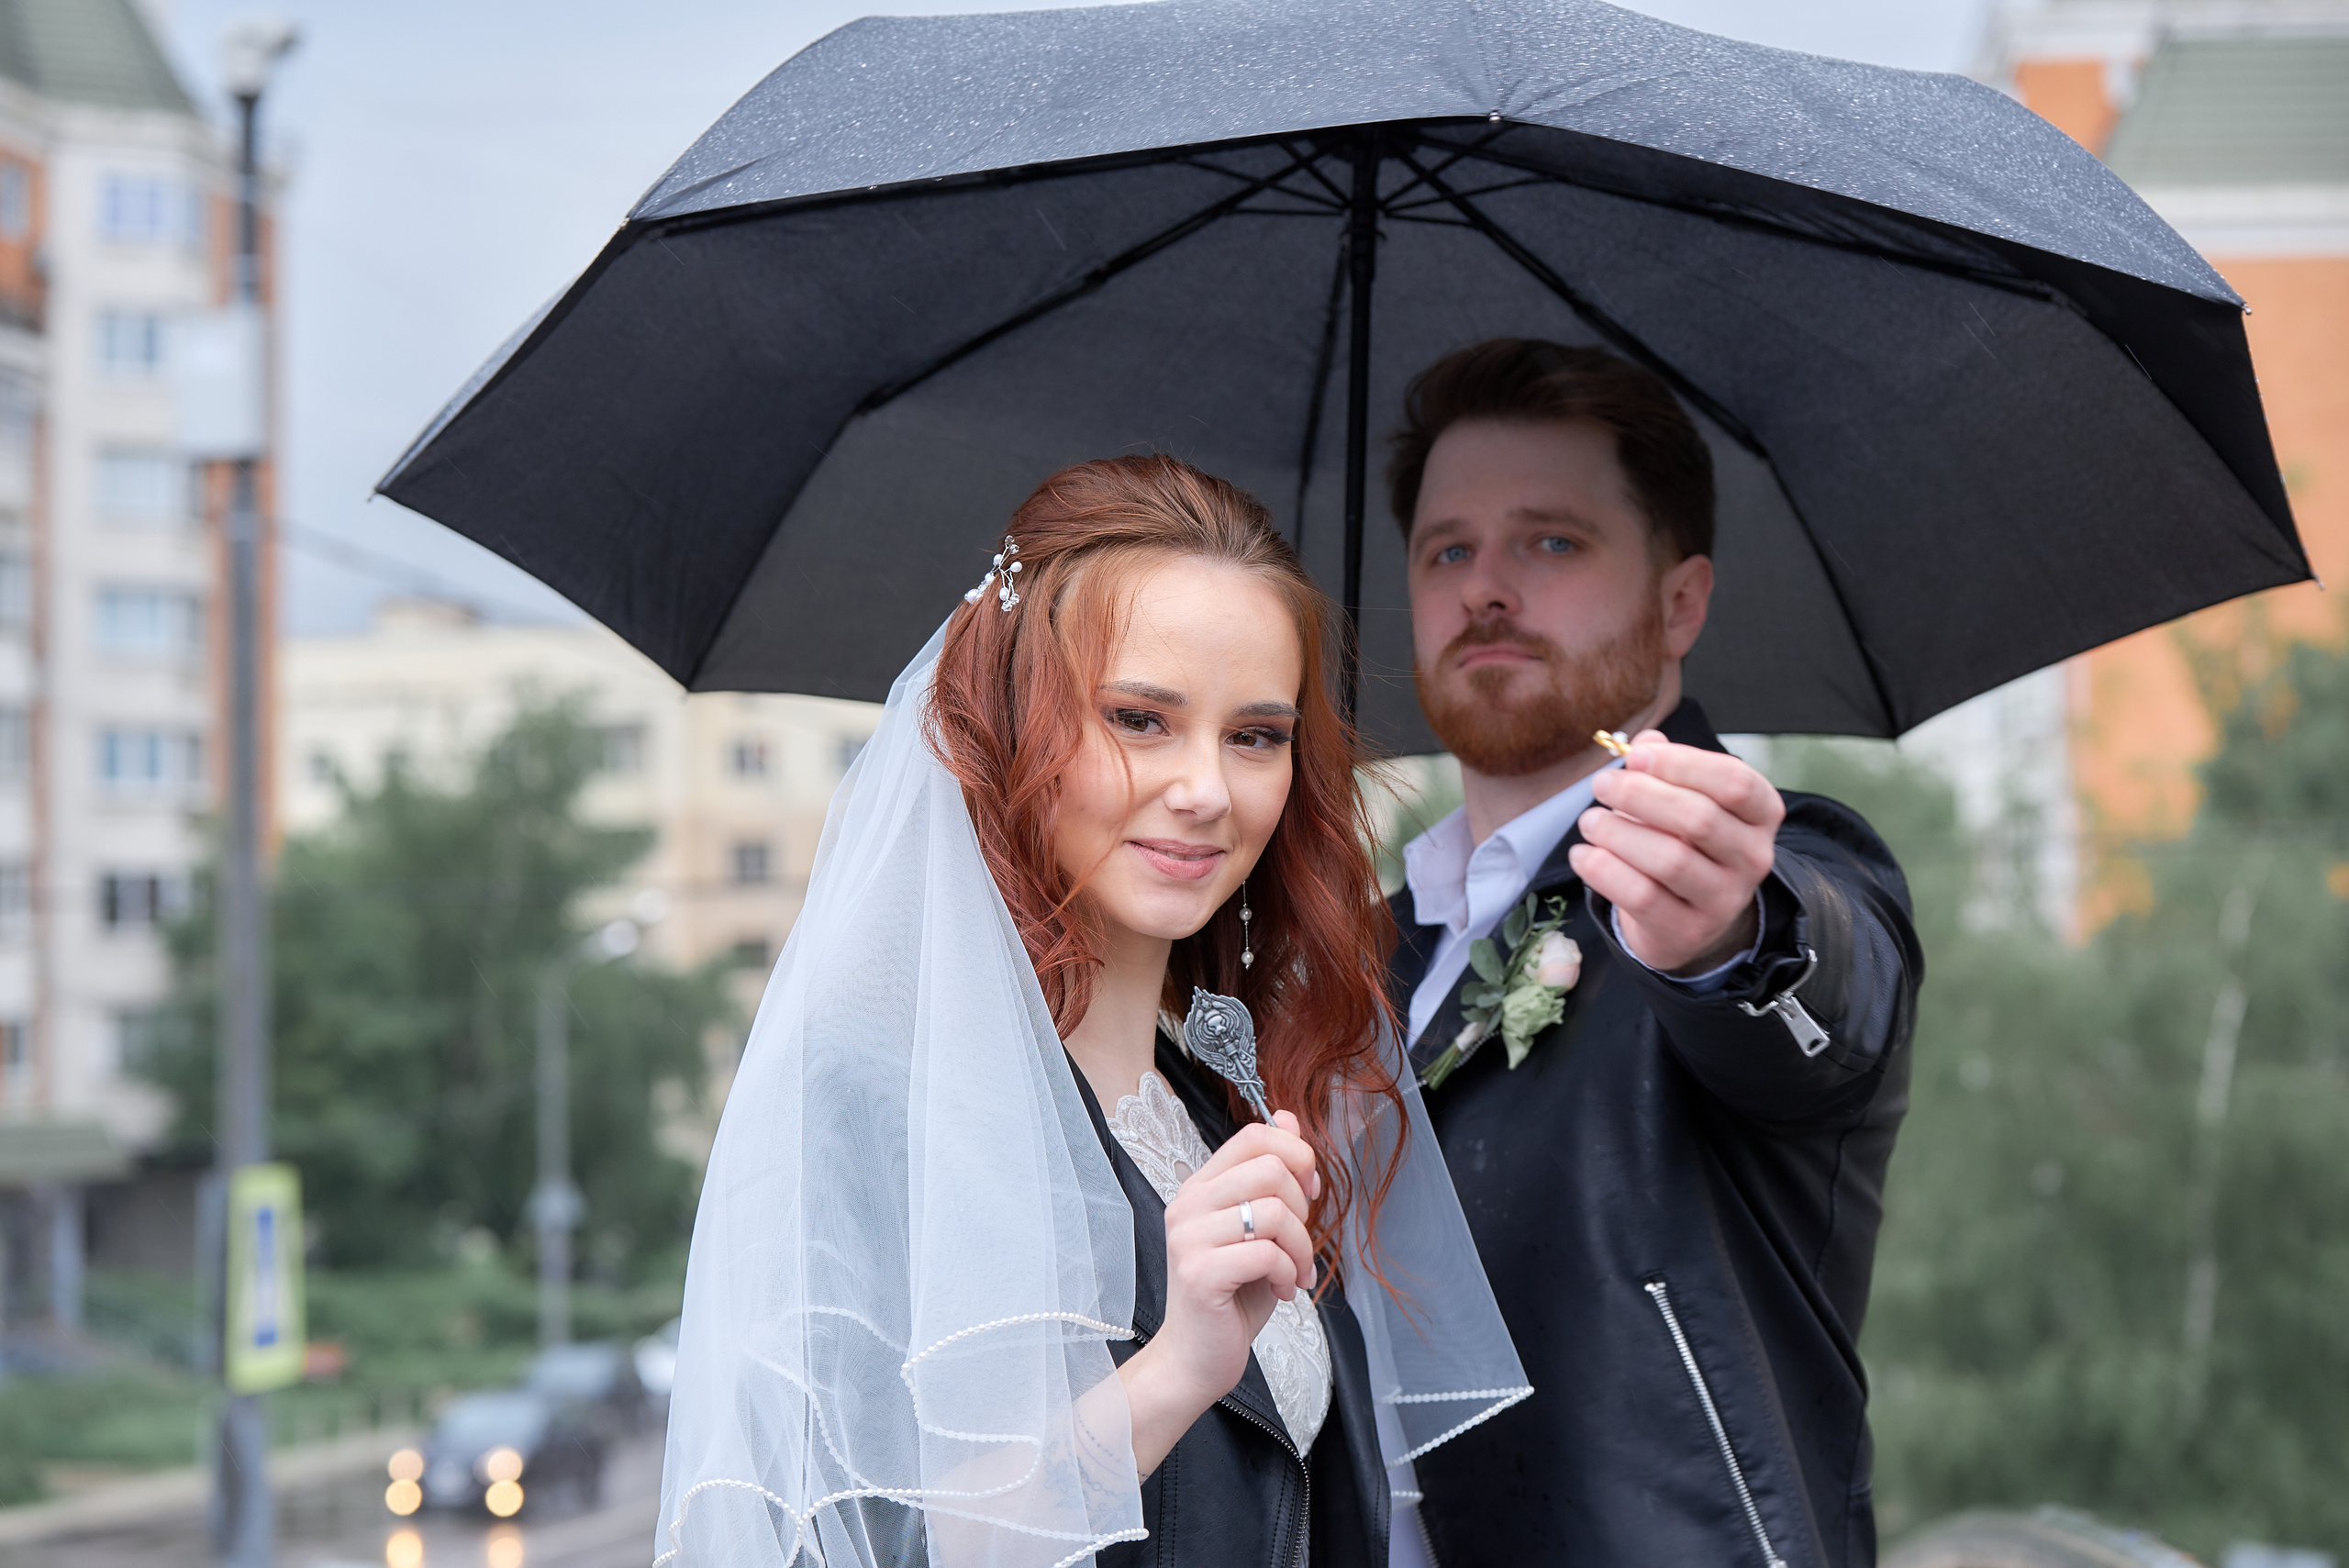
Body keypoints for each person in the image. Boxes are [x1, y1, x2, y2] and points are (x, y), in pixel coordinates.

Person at [658, 456, 1525, 1568]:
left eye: (1255, 734)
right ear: (1018, 724)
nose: (1207, 787)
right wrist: (1176, 1366)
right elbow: (880, 1536)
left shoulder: (1224, 1091)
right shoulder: (879, 1096)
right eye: (1140, 719)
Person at [1384, 340, 1922, 1566]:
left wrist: (1729, 939)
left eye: (1552, 542)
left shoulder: (1784, 868)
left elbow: (1812, 989)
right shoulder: (1363, 945)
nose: (1487, 588)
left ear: (1680, 602)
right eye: (1448, 550)